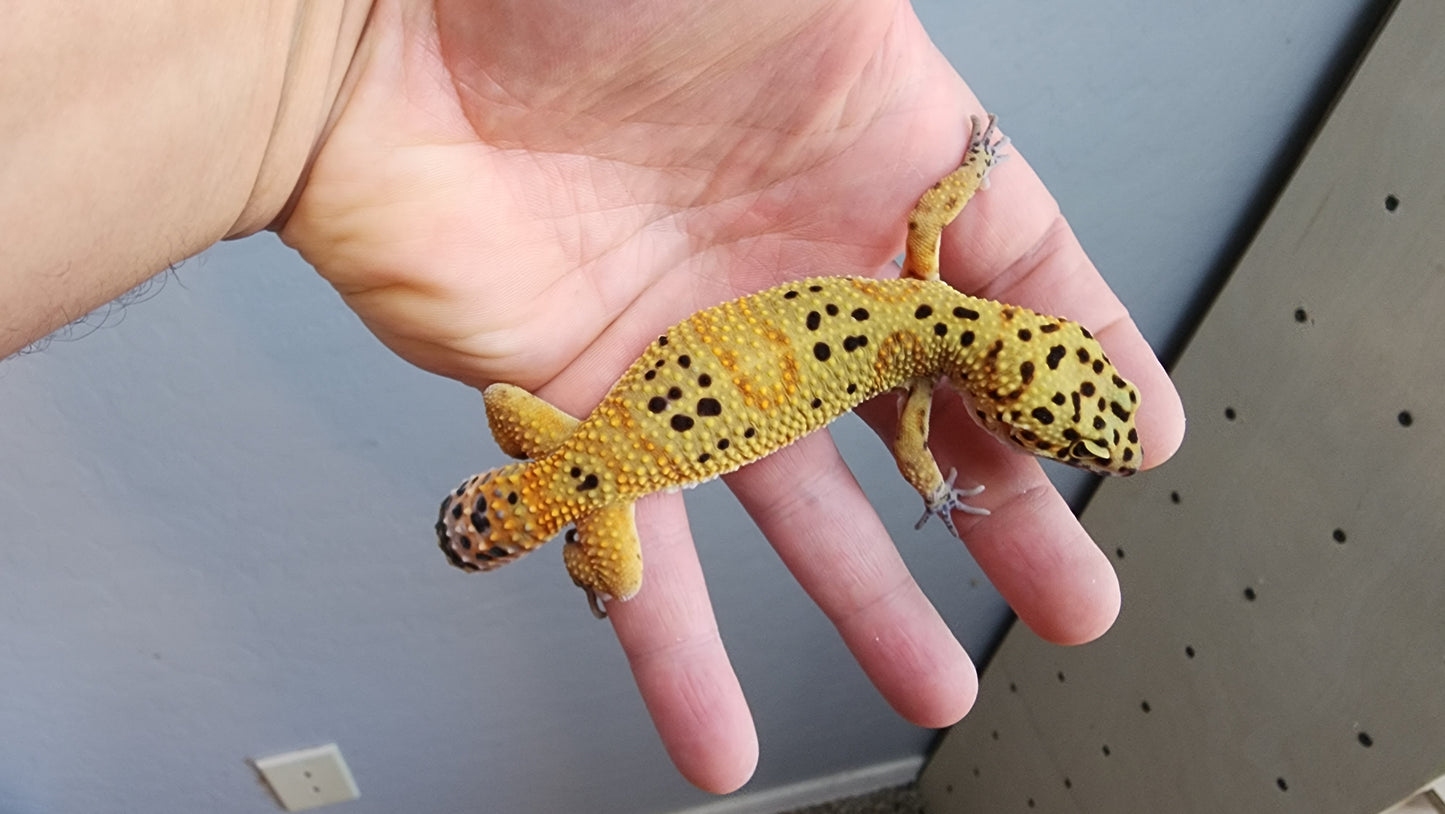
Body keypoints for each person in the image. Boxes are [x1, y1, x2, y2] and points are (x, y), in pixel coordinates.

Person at [0, 0, 1185, 794]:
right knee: (618, 569)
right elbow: (918, 437)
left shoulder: (930, 307)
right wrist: (929, 486)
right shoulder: (915, 367)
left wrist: (969, 167)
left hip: (621, 431)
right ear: (1015, 383)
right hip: (612, 447)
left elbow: (933, 212)